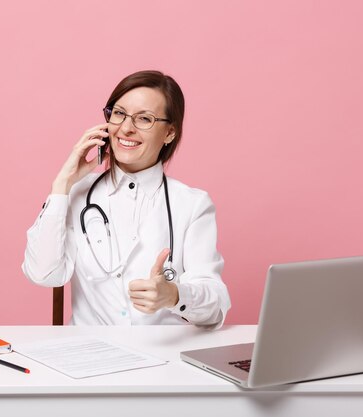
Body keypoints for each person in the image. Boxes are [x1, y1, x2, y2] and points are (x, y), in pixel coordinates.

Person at [22, 70, 231, 328]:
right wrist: (62, 184)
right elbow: (43, 274)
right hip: (89, 357)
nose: (126, 129)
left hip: (164, 358)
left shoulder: (192, 204)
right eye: (119, 114)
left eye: (145, 118)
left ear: (169, 133)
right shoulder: (76, 194)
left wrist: (175, 295)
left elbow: (216, 307)